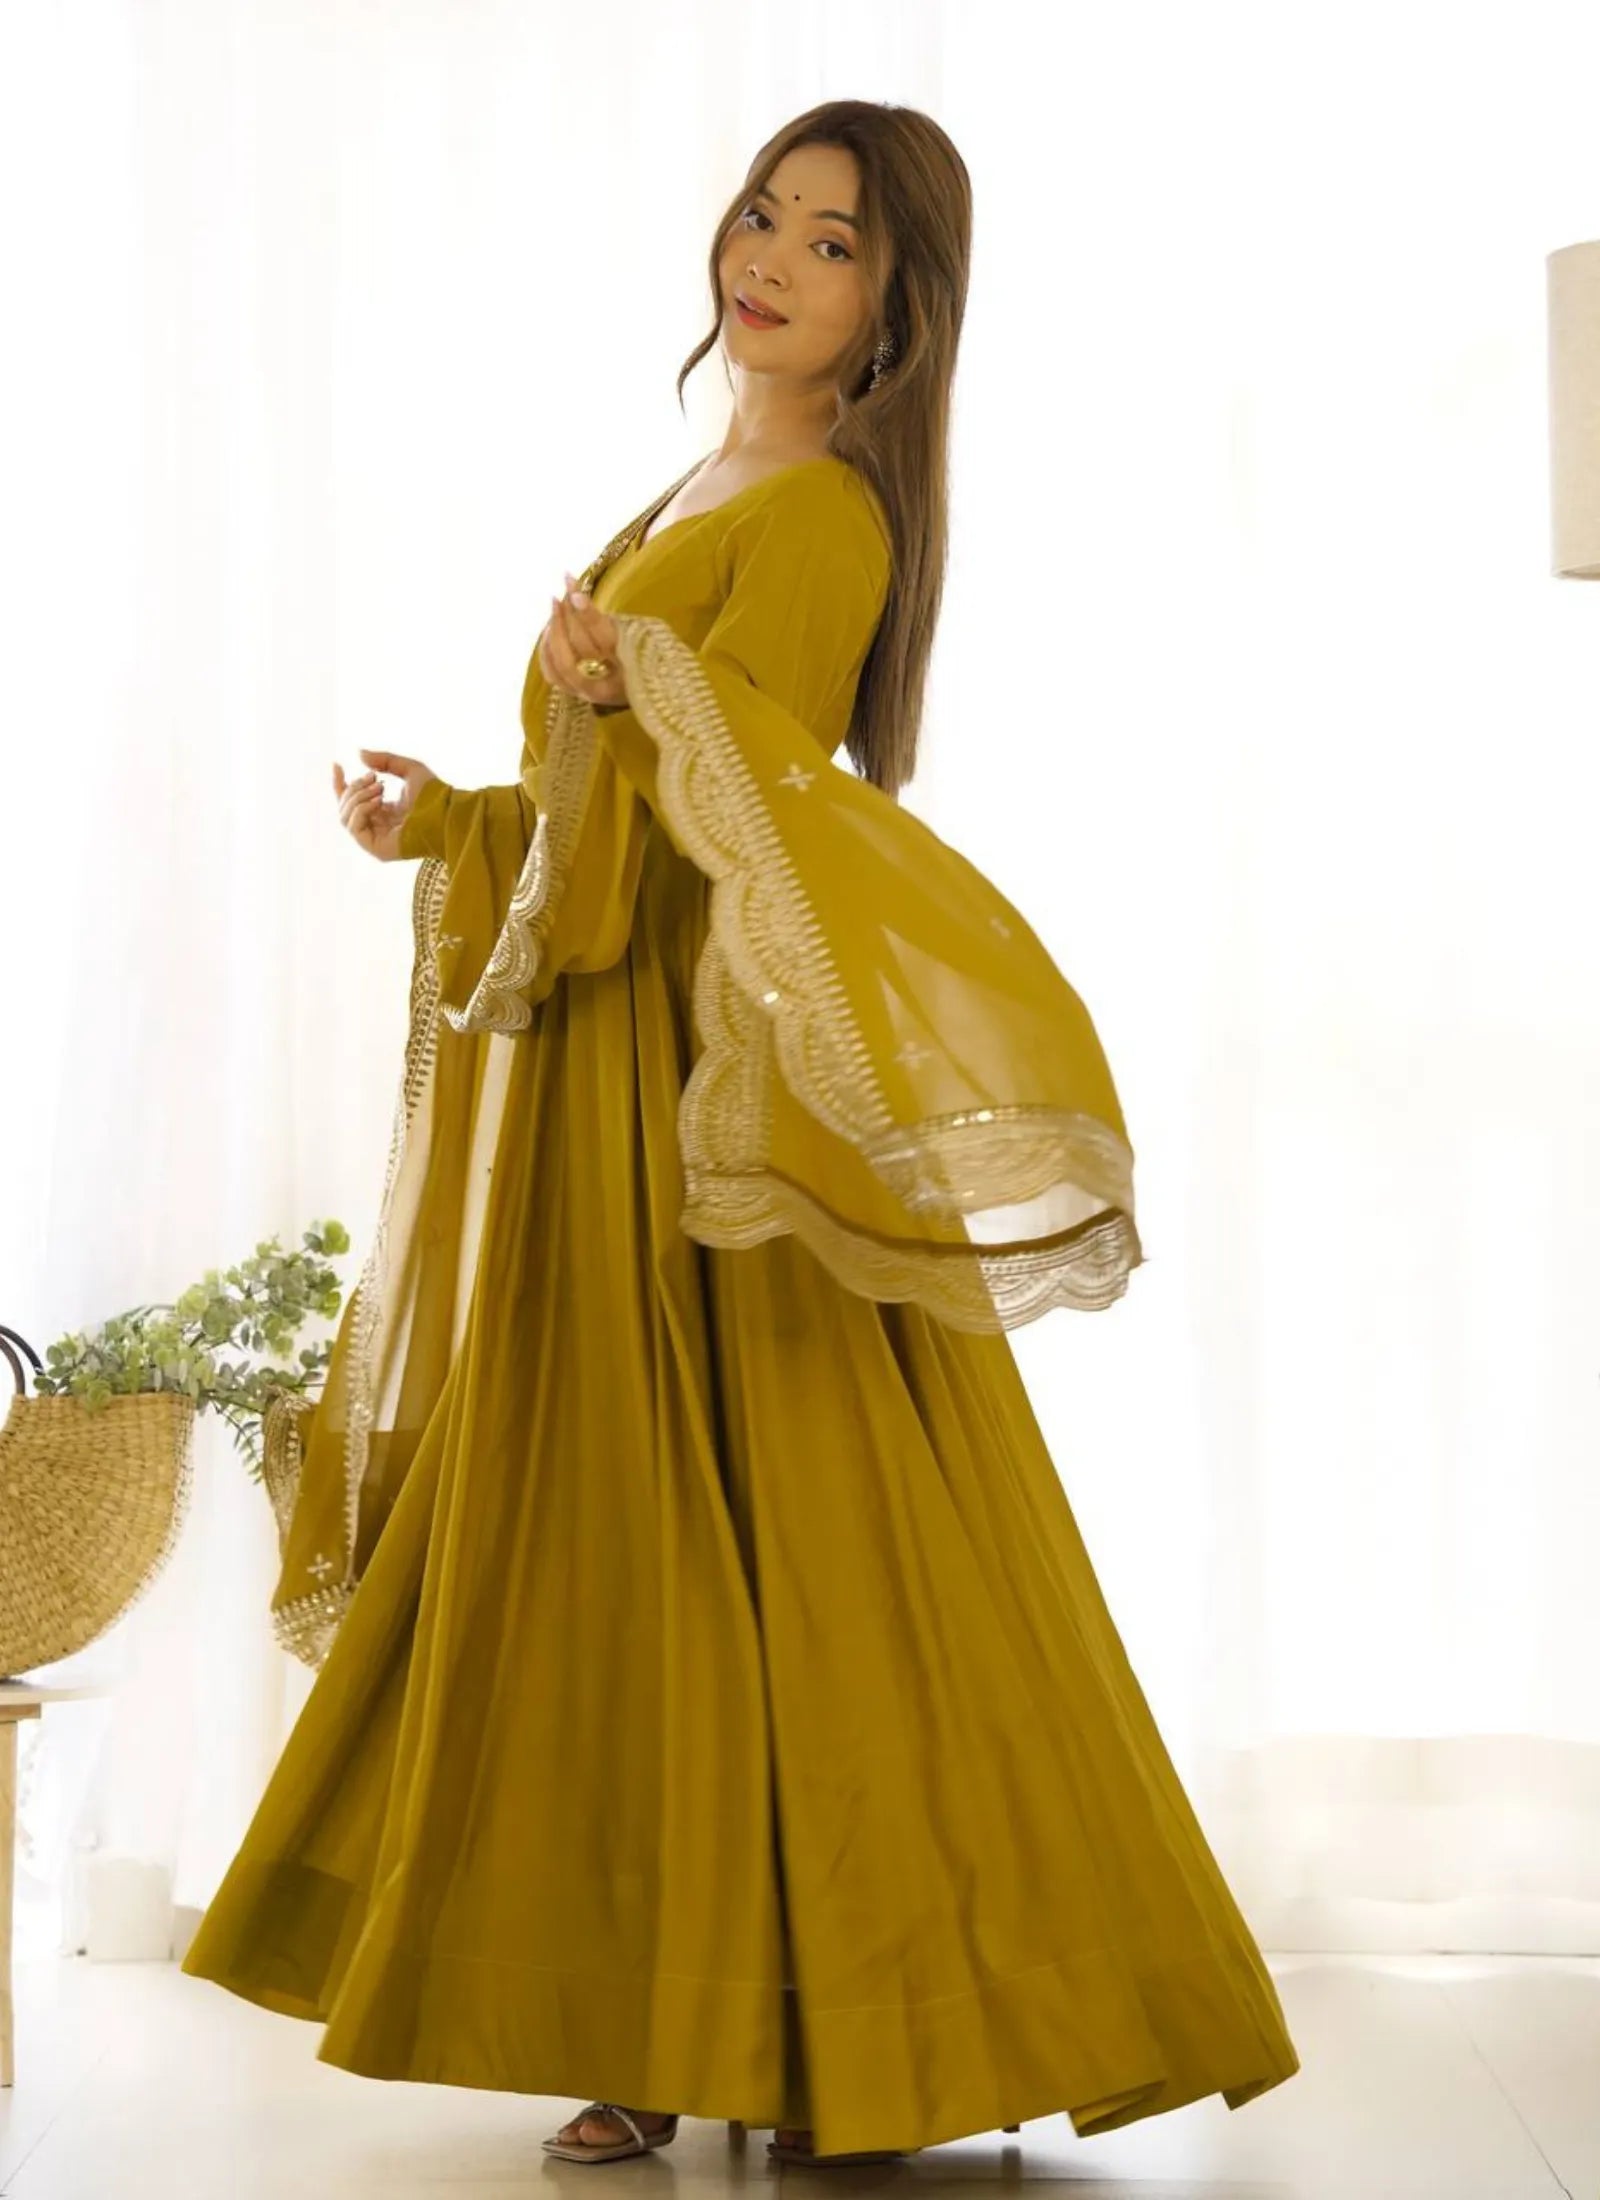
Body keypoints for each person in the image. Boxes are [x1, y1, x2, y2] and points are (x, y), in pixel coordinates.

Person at [179, 99, 1301, 2167]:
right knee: (611, 1548)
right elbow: (612, 801)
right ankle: (660, 2016)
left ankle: (836, 2036)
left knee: (770, 1545)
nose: (771, 258)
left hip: (704, 1105)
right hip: (601, 1081)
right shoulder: (691, 486)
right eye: (765, 215)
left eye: (834, 241)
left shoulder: (828, 518)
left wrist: (636, 701)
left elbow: (757, 814)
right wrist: (452, 820)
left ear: (897, 309)